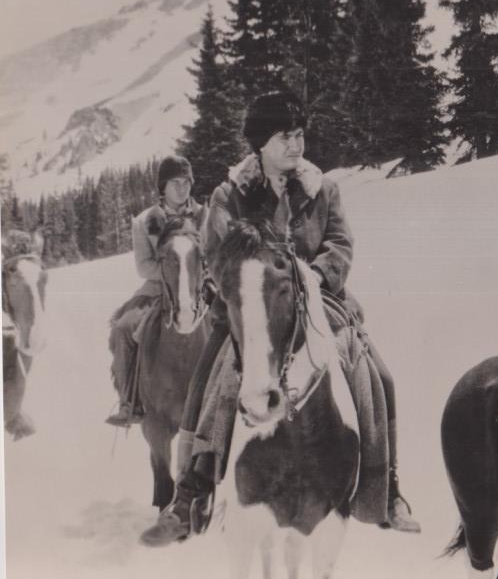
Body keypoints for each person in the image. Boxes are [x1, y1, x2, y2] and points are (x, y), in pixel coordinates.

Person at [140, 90, 420, 546]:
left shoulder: (322, 188)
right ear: (260, 143)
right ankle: (190, 493)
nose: (296, 144)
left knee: (377, 375)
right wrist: (247, 287)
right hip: (251, 307)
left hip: (319, 298)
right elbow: (217, 255)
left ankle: (383, 488)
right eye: (284, 136)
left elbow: (340, 245)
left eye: (299, 134)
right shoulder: (230, 195)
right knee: (211, 379)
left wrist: (312, 276)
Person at [106, 156, 204, 427]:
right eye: (175, 183)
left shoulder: (203, 216)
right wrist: (174, 275)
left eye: (186, 182)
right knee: (123, 328)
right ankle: (129, 402)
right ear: (163, 187)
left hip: (198, 287)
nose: (182, 189)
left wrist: (194, 277)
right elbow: (144, 266)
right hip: (156, 290)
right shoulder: (146, 221)